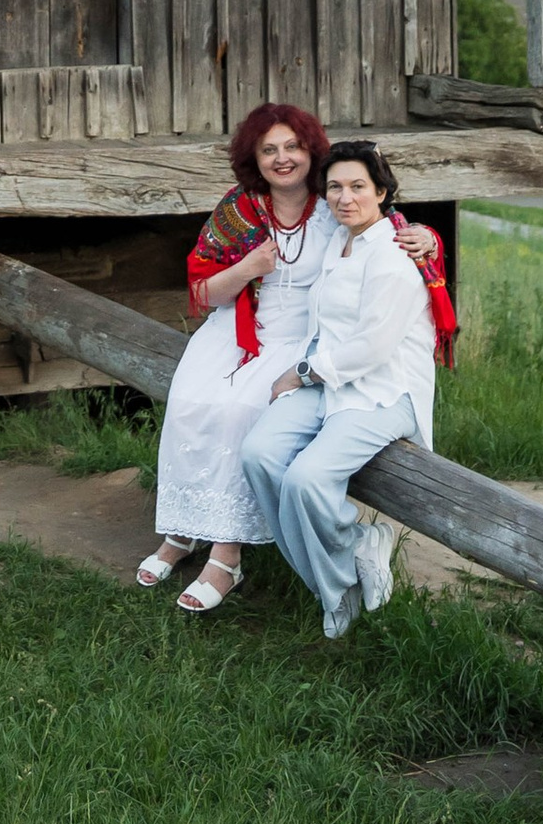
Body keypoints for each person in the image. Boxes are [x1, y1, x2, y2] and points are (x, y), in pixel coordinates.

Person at [137, 102, 335, 615]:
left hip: (296, 341)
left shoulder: (335, 204)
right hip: (236, 330)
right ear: (255, 159)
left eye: (292, 146)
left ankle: (226, 556)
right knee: (190, 402)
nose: (282, 158)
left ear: (311, 149)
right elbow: (203, 293)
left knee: (239, 412)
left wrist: (423, 237)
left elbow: (390, 226)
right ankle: (181, 532)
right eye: (269, 150)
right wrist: (248, 265)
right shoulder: (240, 208)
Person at [238, 142, 438, 639]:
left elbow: (371, 348)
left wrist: (300, 373)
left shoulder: (393, 256)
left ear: (383, 192)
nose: (344, 197)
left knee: (306, 480)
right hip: (328, 381)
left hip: (383, 391)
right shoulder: (338, 239)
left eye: (358, 187)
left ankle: (352, 564)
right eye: (334, 187)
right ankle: (339, 574)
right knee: (259, 455)